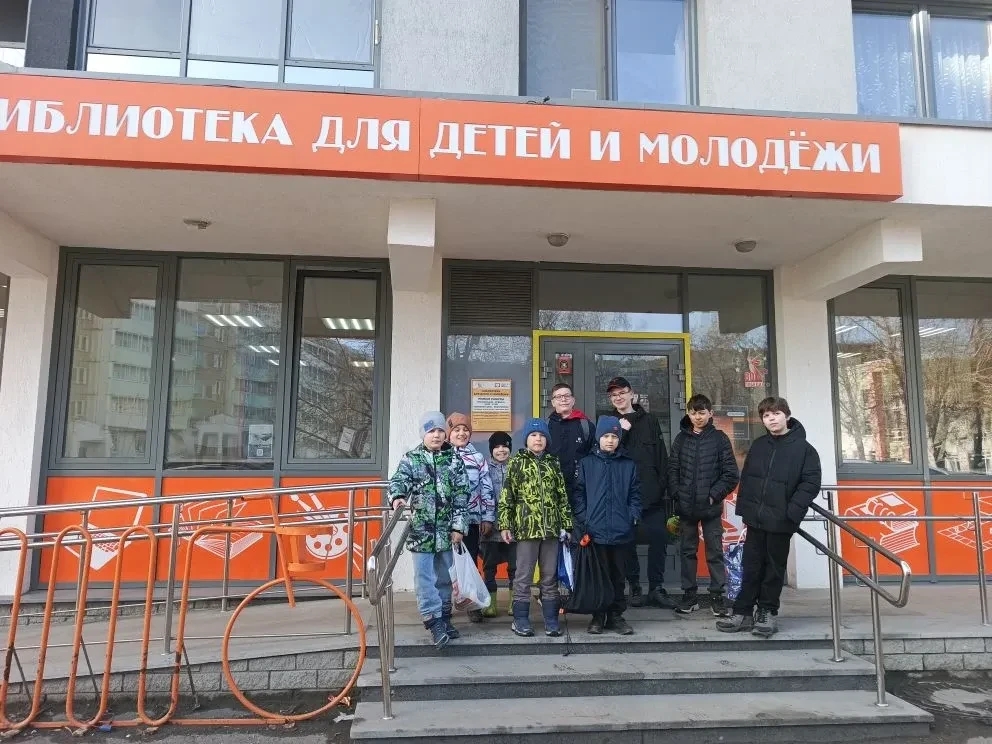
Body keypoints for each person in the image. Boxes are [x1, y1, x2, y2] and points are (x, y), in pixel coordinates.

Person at [717, 396, 821, 637]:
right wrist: (745, 510)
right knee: (751, 565)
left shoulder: (804, 450)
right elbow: (748, 479)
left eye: (776, 414)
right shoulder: (759, 445)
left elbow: (810, 484)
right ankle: (743, 612)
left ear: (787, 415)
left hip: (781, 521)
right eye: (766, 415)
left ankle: (766, 612)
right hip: (756, 518)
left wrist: (792, 512)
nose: (771, 419)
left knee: (773, 569)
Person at [388, 411, 469, 649]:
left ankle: (444, 617)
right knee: (424, 578)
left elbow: (462, 495)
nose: (436, 435)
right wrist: (398, 497)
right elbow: (398, 481)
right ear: (423, 434)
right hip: (421, 532)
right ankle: (433, 622)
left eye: (440, 431)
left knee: (445, 578)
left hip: (446, 532)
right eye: (431, 431)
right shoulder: (412, 459)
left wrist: (458, 526)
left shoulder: (454, 460)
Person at [498, 418, 572, 638]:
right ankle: (520, 619)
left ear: (547, 440)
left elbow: (562, 497)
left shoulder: (553, 463)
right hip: (526, 529)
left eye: (541, 436)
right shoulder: (516, 463)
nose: (538, 439)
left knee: (549, 577)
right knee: (523, 576)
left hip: (551, 531)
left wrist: (566, 524)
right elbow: (507, 496)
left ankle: (551, 619)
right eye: (533, 435)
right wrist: (505, 523)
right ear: (526, 440)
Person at [606, 376, 676, 610]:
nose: (618, 397)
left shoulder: (650, 420)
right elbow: (608, 453)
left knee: (659, 538)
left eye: (622, 392)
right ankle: (634, 586)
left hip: (651, 494)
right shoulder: (609, 422)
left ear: (631, 394)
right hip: (622, 495)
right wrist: (621, 431)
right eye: (614, 395)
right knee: (627, 542)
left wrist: (664, 487)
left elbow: (661, 456)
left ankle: (656, 587)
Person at [668, 394, 740, 617]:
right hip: (686, 508)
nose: (697, 417)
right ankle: (689, 596)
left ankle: (717, 596)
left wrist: (713, 496)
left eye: (701, 412)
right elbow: (672, 470)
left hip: (710, 508)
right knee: (687, 552)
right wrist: (677, 494)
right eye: (693, 413)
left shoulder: (719, 439)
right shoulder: (681, 439)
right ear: (688, 414)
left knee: (714, 552)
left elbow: (731, 474)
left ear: (710, 414)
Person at [573, 416, 642, 635]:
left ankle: (616, 616)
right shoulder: (586, 463)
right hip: (595, 531)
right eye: (606, 436)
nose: (610, 440)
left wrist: (632, 516)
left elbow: (635, 494)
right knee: (598, 577)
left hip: (621, 531)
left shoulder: (628, 465)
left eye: (614, 436)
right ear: (598, 438)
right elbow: (578, 494)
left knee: (618, 576)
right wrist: (585, 519)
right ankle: (598, 616)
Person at [446, 413, 496, 622]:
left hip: (471, 520)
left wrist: (488, 517)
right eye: (456, 430)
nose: (461, 433)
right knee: (445, 564)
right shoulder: (442, 455)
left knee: (470, 561)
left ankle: (472, 603)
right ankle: (444, 606)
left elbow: (487, 488)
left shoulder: (478, 458)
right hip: (445, 521)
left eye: (465, 430)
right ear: (449, 434)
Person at [480, 431, 516, 618]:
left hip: (513, 528)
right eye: (497, 447)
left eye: (505, 446)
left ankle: (514, 603)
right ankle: (490, 604)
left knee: (515, 567)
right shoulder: (484, 468)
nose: (501, 450)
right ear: (491, 450)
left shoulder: (517, 467)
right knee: (489, 567)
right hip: (490, 527)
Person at [547, 382, 595, 502]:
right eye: (558, 397)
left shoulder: (586, 425)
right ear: (553, 402)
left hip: (580, 490)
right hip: (552, 488)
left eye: (567, 396)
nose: (563, 399)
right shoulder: (545, 426)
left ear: (573, 400)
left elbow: (594, 456)